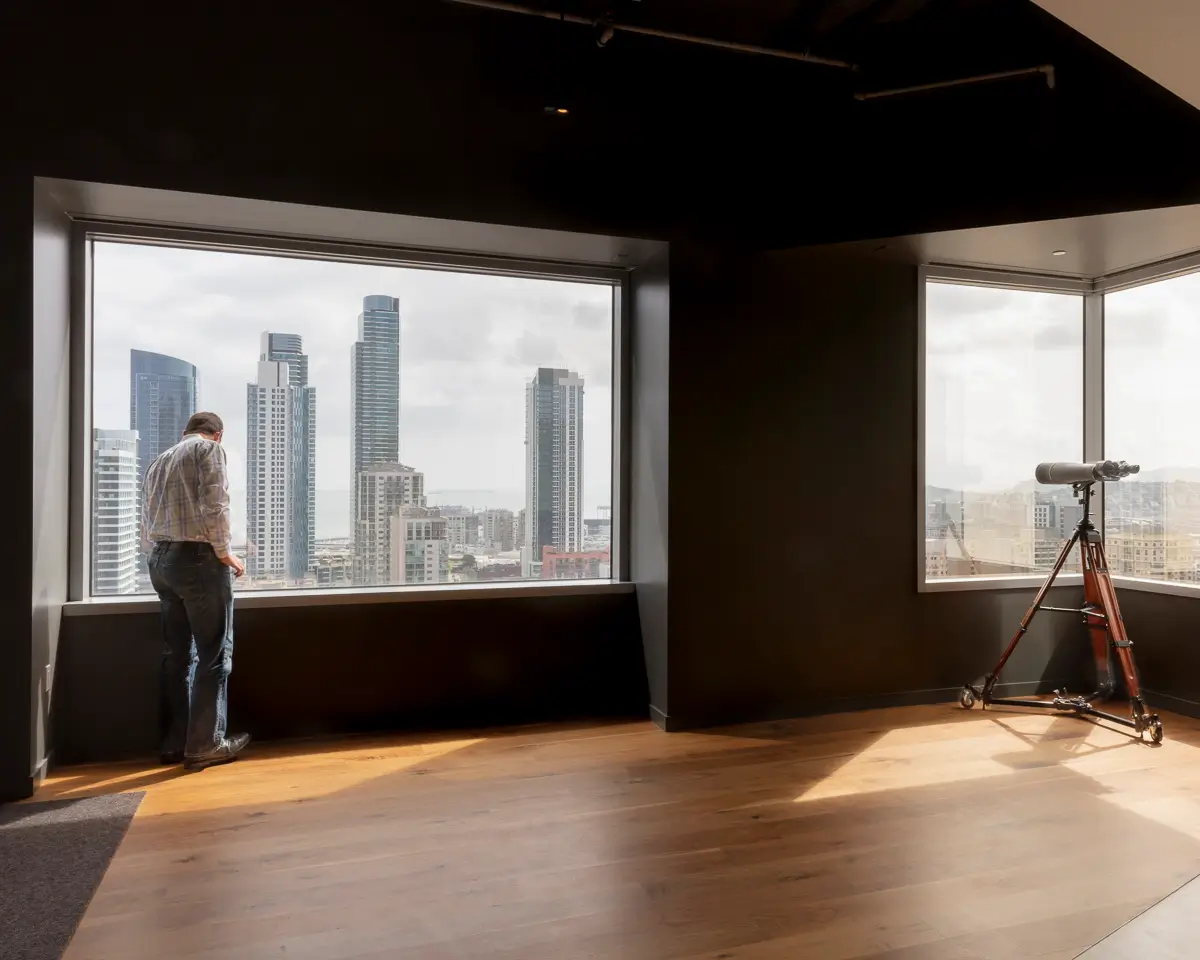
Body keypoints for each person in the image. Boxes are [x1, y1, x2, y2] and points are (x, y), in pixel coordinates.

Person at [141, 411, 251, 771]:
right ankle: (205, 744)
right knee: (214, 655)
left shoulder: (160, 459)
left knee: (178, 656)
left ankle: (176, 743)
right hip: (197, 560)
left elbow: (147, 516)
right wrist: (224, 552)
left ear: (185, 432)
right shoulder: (209, 451)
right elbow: (216, 503)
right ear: (217, 434)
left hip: (161, 561)